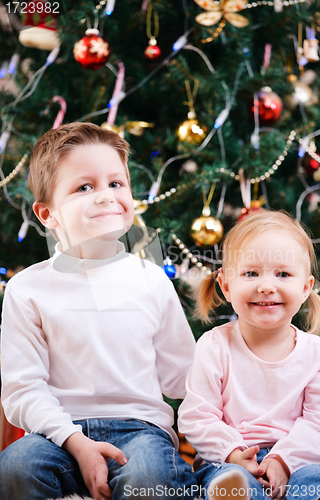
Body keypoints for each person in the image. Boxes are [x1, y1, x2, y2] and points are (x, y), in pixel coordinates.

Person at [0, 122, 197, 500]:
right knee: (14, 468)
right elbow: (23, 390)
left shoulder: (152, 280)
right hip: (57, 433)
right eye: (84, 187)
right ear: (47, 214)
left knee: (148, 477)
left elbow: (187, 382)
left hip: (141, 431)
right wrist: (75, 441)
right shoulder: (27, 290)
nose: (106, 196)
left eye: (116, 183)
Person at [178, 210, 320, 500]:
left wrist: (282, 460)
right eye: (251, 273)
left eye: (283, 274)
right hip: (229, 460)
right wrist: (235, 453)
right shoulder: (214, 346)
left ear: (305, 288)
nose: (265, 285)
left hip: (299, 460)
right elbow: (198, 416)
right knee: (229, 482)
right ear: (226, 285)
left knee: (314, 479)